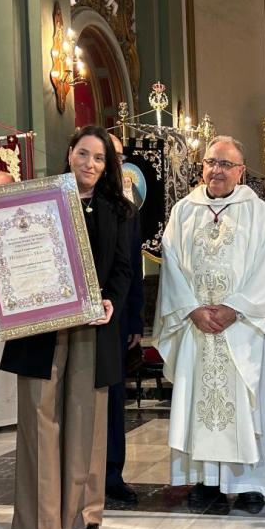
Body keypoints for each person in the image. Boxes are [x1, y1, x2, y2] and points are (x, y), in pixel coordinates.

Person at [0, 125, 133, 529]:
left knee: (84, 422)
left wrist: (111, 303)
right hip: (39, 331)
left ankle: (81, 516)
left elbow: (124, 270)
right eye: (84, 153)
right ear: (70, 153)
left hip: (93, 328)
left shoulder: (119, 210)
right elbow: (5, 251)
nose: (91, 163)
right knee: (39, 422)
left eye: (100, 158)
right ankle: (39, 521)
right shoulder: (36, 200)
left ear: (107, 166)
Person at [152, 135, 265, 511]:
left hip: (244, 327)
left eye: (225, 164)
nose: (216, 170)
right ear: (202, 166)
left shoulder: (258, 212)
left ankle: (251, 483)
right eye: (211, 162)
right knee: (201, 402)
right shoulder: (183, 211)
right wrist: (192, 309)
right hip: (196, 326)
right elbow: (171, 265)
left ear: (240, 172)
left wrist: (236, 308)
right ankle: (206, 483)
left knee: (249, 405)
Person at [105, 133, 143, 504]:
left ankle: (111, 473)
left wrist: (134, 321)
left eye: (118, 155)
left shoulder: (128, 208)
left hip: (113, 320)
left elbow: (132, 266)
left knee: (113, 397)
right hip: (70, 320)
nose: (115, 162)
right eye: (107, 154)